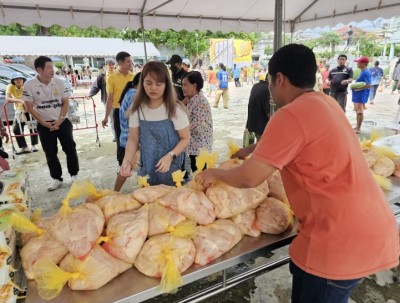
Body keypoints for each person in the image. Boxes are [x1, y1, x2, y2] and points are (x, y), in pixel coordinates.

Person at [196, 44, 399, 303]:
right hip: (369, 226)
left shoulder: (290, 114)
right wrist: (249, 149)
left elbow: (250, 178)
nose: (269, 88)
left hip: (337, 240)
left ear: (279, 78)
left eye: (269, 81)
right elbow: (293, 139)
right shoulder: (326, 103)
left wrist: (216, 174)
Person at [120, 61, 190, 186]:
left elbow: (185, 138)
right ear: (142, 83)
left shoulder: (175, 109)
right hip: (147, 169)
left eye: (159, 84)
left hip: (173, 170)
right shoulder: (137, 109)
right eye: (149, 83)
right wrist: (127, 160)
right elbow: (133, 139)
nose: (153, 88)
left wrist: (170, 156)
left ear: (166, 85)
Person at [23, 56, 79, 191]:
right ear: (39, 69)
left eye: (52, 67)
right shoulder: (29, 85)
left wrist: (60, 119)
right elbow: (29, 106)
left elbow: (65, 102)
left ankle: (74, 175)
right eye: (48, 67)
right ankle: (56, 178)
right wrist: (43, 123)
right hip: (44, 125)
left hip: (62, 122)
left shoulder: (60, 82)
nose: (52, 70)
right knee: (50, 152)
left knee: (70, 148)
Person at [102, 52, 134, 168]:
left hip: (132, 112)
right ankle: (122, 164)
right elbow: (109, 99)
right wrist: (106, 117)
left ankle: (133, 161)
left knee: (133, 136)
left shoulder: (133, 77)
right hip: (118, 112)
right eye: (128, 61)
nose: (131, 63)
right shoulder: (112, 78)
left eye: (130, 61)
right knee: (121, 136)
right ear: (120, 63)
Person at [114, 72, 142, 191]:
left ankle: (114, 191)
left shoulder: (129, 93)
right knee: (130, 167)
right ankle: (114, 192)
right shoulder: (134, 95)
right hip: (131, 139)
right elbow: (133, 118)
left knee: (127, 167)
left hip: (126, 138)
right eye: (148, 83)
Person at [182, 71, 213, 173]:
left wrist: (179, 130)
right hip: (194, 146)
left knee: (199, 174)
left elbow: (197, 127)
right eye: (182, 85)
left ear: (194, 86)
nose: (183, 88)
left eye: (185, 85)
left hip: (199, 148)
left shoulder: (200, 102)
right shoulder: (191, 98)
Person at [6, 72, 39, 154]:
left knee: (33, 127)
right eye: (16, 79)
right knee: (17, 129)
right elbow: (7, 98)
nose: (19, 80)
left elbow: (34, 96)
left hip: (30, 109)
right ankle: (24, 147)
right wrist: (20, 100)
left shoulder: (26, 86)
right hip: (19, 111)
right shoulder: (10, 86)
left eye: (20, 79)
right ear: (13, 81)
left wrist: (27, 103)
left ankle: (34, 146)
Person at [87, 58, 116, 140]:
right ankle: (115, 135)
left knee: (119, 118)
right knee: (111, 118)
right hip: (107, 100)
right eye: (109, 64)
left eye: (112, 64)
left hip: (118, 100)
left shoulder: (117, 75)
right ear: (105, 65)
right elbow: (96, 86)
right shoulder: (102, 76)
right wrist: (90, 94)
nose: (111, 66)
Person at [246, 72, 270, 141]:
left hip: (253, 123)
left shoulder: (256, 86)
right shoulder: (268, 89)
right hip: (262, 126)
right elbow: (268, 112)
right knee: (263, 146)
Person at [352, 56, 371, 134]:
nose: (357, 64)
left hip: (361, 95)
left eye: (359, 62)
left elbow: (368, 85)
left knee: (360, 112)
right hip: (357, 95)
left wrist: (356, 87)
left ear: (364, 64)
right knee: (357, 111)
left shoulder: (366, 72)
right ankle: (357, 126)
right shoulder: (363, 71)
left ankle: (358, 128)